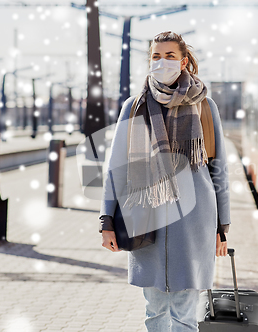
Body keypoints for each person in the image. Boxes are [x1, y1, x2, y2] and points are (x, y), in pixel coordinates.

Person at [97, 31, 231, 332]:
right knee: (155, 311)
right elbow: (116, 167)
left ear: (183, 61)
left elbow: (219, 170)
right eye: (156, 56)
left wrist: (223, 228)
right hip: (147, 218)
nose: (162, 62)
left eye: (170, 56)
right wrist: (106, 221)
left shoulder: (205, 107)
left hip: (195, 221)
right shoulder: (134, 107)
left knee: (185, 313)